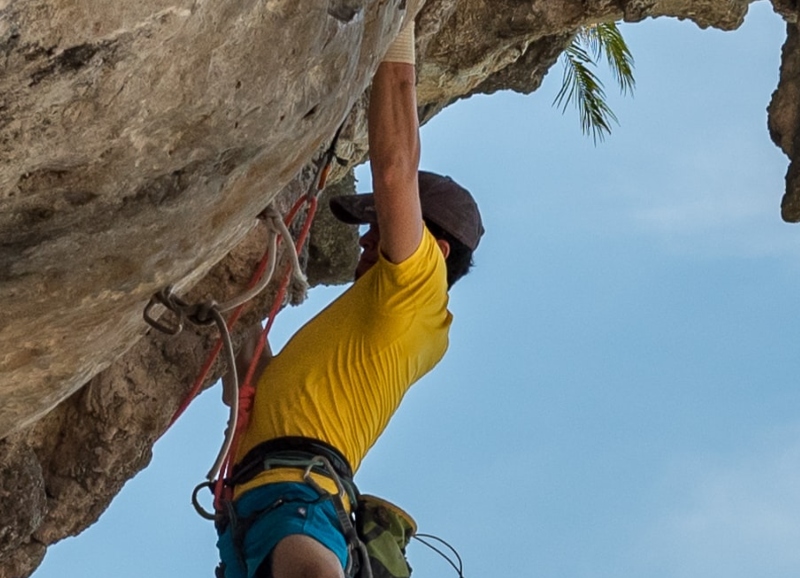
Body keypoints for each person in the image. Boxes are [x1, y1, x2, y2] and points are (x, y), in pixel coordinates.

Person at [215, 11, 484, 578]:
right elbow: (262, 381)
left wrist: (397, 25)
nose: (365, 239)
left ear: (434, 249)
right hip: (265, 507)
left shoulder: (418, 290)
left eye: (379, 226)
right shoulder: (381, 325)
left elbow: (395, 168)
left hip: (297, 498)